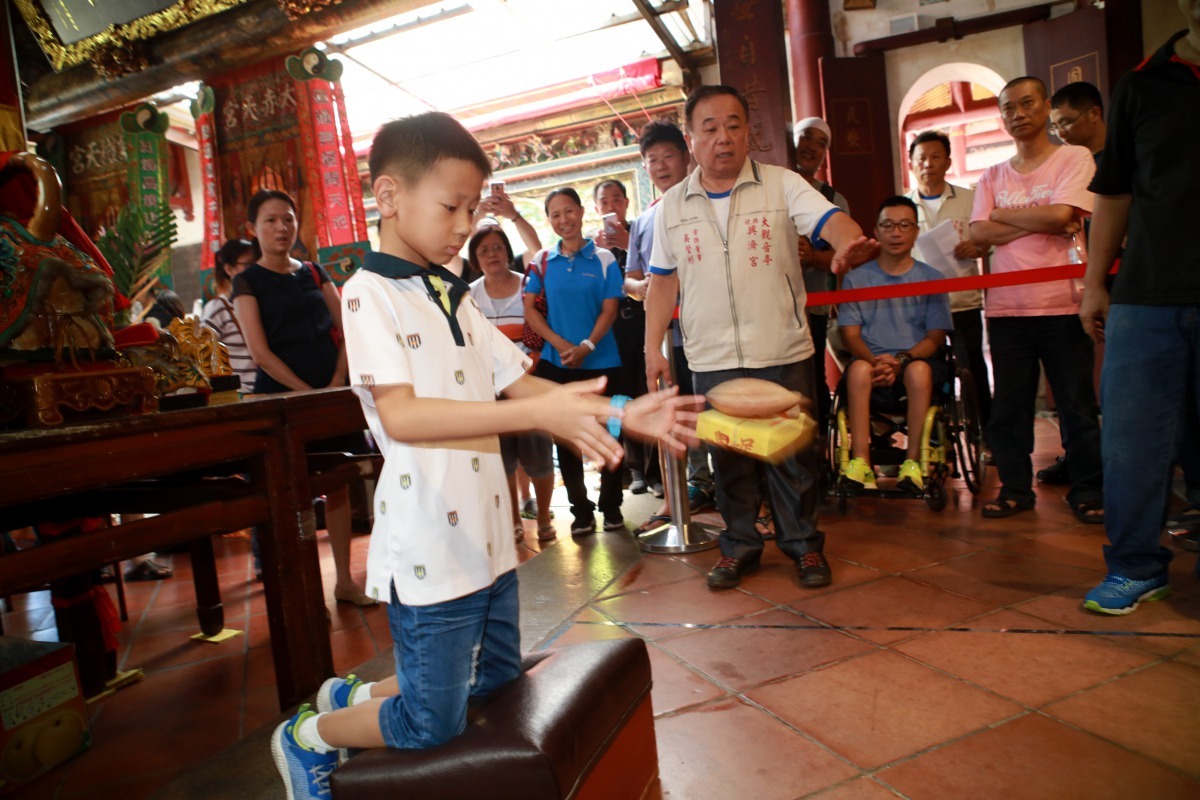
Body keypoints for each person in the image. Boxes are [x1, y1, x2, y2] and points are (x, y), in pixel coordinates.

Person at [270, 111, 698, 800]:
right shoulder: (367, 295)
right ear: (388, 196)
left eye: (473, 207)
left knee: (493, 679)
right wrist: (542, 412)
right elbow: (404, 416)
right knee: (429, 722)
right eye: (452, 206)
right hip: (430, 542)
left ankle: (350, 693)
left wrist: (624, 411)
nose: (466, 223)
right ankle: (308, 737)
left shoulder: (455, 296)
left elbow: (518, 380)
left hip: (490, 534)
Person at [644, 85, 879, 591]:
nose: (723, 138)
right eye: (709, 128)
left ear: (750, 132)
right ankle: (740, 547)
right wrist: (652, 349)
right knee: (729, 460)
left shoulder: (783, 184)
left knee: (792, 455)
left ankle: (803, 547)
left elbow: (832, 221)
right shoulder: (670, 207)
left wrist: (847, 243)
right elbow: (662, 282)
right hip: (711, 355)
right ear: (692, 139)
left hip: (782, 347)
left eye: (733, 125)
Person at [1078, 4, 1200, 614]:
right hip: (1149, 293)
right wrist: (1095, 282)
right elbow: (1115, 191)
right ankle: (1135, 566)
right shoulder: (1144, 84)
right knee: (1131, 440)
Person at [969, 76, 1103, 524]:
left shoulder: (1073, 157)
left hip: (1063, 303)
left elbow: (1064, 215)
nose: (1018, 114)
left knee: (1076, 404)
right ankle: (1014, 490)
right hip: (1006, 307)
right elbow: (978, 233)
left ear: (1046, 107)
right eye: (1008, 108)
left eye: (1027, 104)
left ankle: (1087, 489)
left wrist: (1005, 215)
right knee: (1009, 407)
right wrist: (1039, 219)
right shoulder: (991, 174)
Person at [232, 189, 373, 607]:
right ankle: (303, 591)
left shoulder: (313, 272)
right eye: (271, 220)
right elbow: (260, 353)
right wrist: (307, 393)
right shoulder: (248, 282)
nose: (281, 228)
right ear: (252, 229)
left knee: (341, 486)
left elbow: (348, 327)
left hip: (331, 394)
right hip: (283, 401)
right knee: (293, 493)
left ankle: (345, 582)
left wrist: (335, 380)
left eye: (288, 219)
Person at [625, 120, 718, 532]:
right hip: (668, 336)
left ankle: (742, 493)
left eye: (667, 157)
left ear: (686, 157)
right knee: (681, 414)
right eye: (652, 161)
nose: (660, 166)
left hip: (713, 330)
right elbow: (630, 278)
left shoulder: (709, 205)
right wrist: (640, 287)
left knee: (724, 410)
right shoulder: (644, 221)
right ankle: (693, 488)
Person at [523, 187, 626, 536]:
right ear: (550, 220)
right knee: (566, 439)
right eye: (555, 214)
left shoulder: (605, 259)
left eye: (569, 211)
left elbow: (610, 309)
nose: (563, 220)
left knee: (612, 432)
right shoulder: (541, 261)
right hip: (557, 364)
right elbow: (530, 310)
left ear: (582, 213)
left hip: (605, 360)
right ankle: (580, 511)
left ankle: (612, 507)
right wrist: (563, 345)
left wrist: (586, 345)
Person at [838, 197, 953, 492]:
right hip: (870, 362)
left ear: (916, 231)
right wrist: (879, 362)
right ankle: (861, 462)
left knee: (918, 371)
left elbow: (935, 338)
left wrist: (901, 360)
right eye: (888, 225)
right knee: (859, 369)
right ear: (876, 231)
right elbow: (850, 336)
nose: (896, 233)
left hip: (916, 361)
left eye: (904, 225)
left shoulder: (932, 278)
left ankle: (912, 462)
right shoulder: (856, 279)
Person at [466, 224, 557, 542]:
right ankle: (514, 518)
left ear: (508, 251)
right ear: (475, 260)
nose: (492, 254)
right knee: (501, 460)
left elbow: (544, 329)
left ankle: (544, 515)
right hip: (489, 392)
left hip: (528, 385)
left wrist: (528, 370)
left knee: (539, 456)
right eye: (484, 251)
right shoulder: (469, 295)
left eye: (497, 247)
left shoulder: (528, 287)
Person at [906, 130, 991, 428]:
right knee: (929, 372)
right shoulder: (903, 207)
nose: (928, 163)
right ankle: (938, 436)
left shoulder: (971, 199)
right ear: (911, 165)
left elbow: (987, 240)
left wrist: (978, 247)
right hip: (921, 309)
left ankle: (984, 434)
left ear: (947, 162)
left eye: (935, 157)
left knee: (972, 370)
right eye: (921, 158)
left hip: (962, 303)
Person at [594, 178, 663, 498]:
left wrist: (626, 243)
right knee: (621, 403)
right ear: (596, 208)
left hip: (646, 327)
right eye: (604, 201)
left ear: (626, 203)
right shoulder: (591, 247)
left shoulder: (641, 232)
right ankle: (633, 469)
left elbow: (656, 277)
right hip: (611, 335)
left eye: (617, 199)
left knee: (649, 396)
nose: (611, 206)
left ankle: (657, 471)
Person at [793, 116, 850, 435]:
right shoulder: (773, 186)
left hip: (811, 307)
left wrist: (813, 257)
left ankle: (819, 454)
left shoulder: (832, 199)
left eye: (821, 143)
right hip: (770, 308)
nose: (811, 147)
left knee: (813, 379)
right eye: (806, 137)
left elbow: (846, 255)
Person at [201, 238, 257, 393]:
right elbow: (203, 356)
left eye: (256, 263)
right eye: (248, 264)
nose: (255, 269)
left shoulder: (261, 302)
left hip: (270, 389)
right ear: (229, 269)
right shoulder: (218, 308)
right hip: (242, 394)